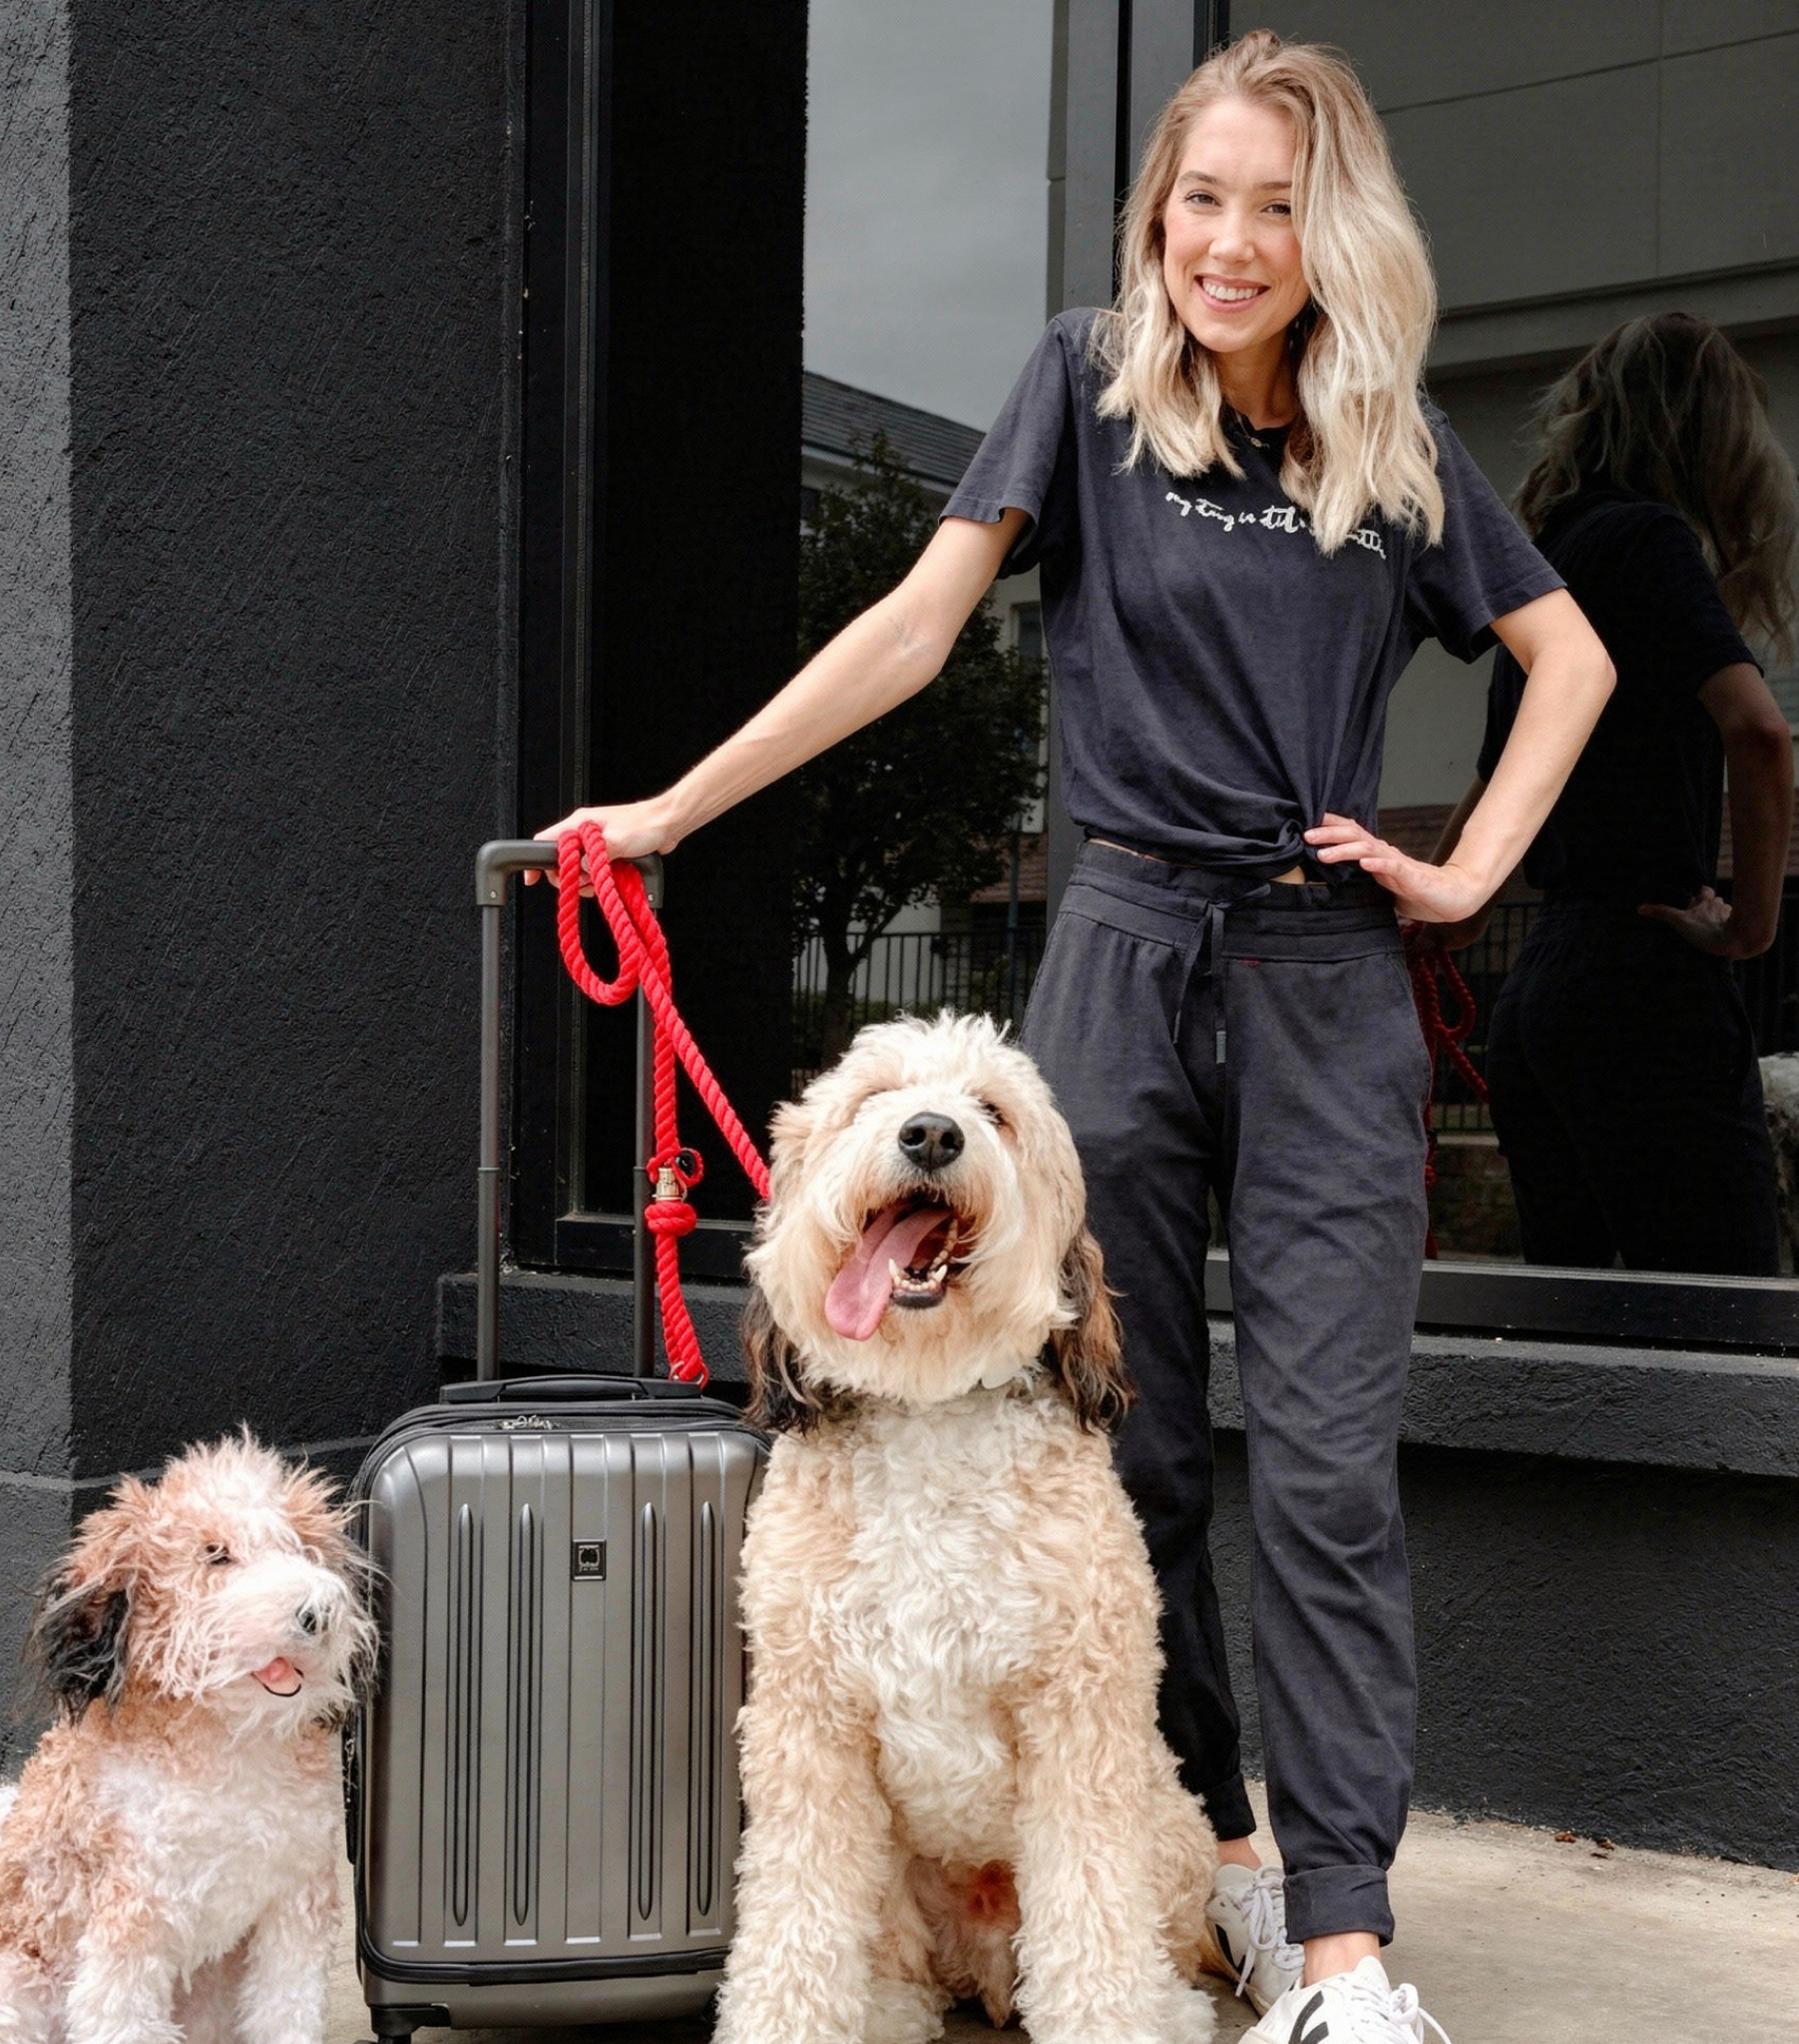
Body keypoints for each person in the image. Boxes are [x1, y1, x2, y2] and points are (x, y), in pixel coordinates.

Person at [539, 31, 1612, 2043]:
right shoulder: (1085, 385)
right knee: (1126, 1446)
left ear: (1330, 232)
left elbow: (1576, 655)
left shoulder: (1386, 451)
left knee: (1319, 1467)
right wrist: (674, 810)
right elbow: (909, 635)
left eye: (1271, 206)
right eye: (1195, 198)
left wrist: (1465, 874)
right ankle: (1206, 1859)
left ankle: (1344, 1944)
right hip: (1114, 947)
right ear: (1154, 214)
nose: (1225, 241)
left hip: (1318, 972)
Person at [1430, 314, 1798, 1276]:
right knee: (1725, 1323)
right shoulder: (1652, 538)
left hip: (1546, 994)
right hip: (1648, 976)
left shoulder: (1553, 553)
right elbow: (1760, 733)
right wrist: (1752, 927)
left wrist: (1451, 904)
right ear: (1713, 433)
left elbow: (1498, 769)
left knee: (1582, 1333)